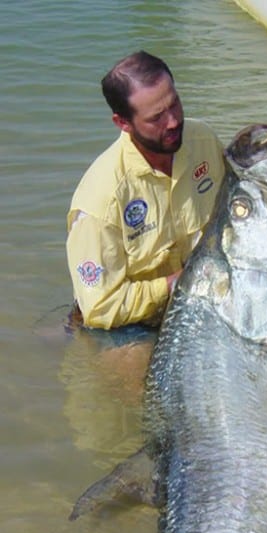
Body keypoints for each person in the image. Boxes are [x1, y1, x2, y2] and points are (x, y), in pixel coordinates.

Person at [66, 50, 225, 332]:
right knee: (133, 367)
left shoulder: (203, 140)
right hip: (127, 325)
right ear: (123, 123)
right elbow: (101, 308)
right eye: (157, 117)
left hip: (203, 298)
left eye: (175, 104)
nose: (174, 121)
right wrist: (177, 282)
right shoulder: (102, 200)